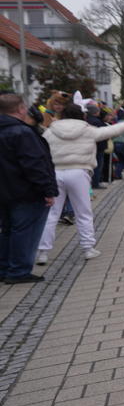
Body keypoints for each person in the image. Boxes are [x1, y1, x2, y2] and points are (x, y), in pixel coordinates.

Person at [36, 104, 124, 263]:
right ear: (82, 116)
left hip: (56, 172)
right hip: (80, 172)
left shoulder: (50, 131)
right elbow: (112, 131)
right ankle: (88, 248)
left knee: (52, 214)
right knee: (83, 212)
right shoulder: (87, 130)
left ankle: (43, 253)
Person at [0, 93, 57, 285]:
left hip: (5, 191)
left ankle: (5, 267)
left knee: (8, 231)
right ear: (20, 109)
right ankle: (19, 270)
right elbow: (34, 164)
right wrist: (48, 190)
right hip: (27, 191)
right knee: (26, 232)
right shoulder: (22, 133)